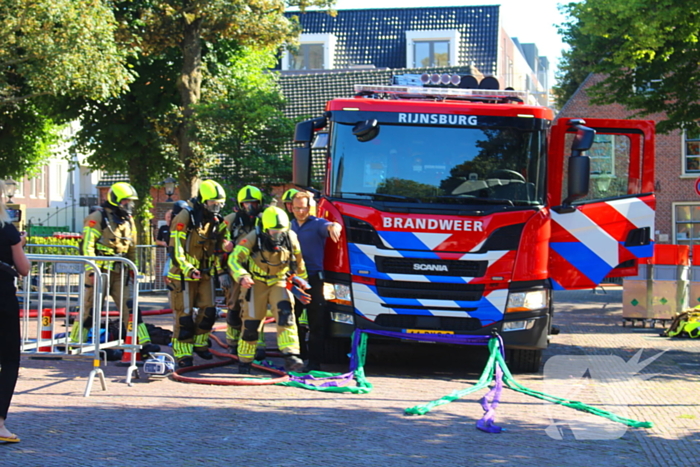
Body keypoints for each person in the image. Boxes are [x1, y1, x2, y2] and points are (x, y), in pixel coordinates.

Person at [73, 182, 159, 358]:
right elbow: (87, 246)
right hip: (100, 272)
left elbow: (132, 247)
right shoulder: (98, 218)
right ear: (115, 200)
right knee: (90, 308)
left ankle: (142, 343)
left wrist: (133, 268)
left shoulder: (128, 221)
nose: (130, 205)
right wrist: (92, 270)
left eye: (131, 202)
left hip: (121, 273)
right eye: (126, 201)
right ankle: (76, 343)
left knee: (131, 307)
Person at [228, 206, 307, 374]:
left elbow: (299, 263)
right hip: (256, 283)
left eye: (280, 232)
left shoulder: (291, 237)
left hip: (279, 280)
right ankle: (245, 361)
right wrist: (242, 275)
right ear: (265, 229)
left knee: (286, 314)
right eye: (273, 232)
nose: (277, 236)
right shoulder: (252, 237)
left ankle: (291, 355)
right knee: (251, 322)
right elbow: (234, 258)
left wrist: (302, 282)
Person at [168, 180, 230, 368]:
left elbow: (218, 246)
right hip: (183, 275)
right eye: (213, 203)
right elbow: (175, 248)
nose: (216, 207)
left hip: (205, 274)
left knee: (209, 311)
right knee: (185, 316)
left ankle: (200, 344)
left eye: (219, 204)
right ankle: (183, 354)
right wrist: (187, 268)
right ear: (203, 201)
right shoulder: (185, 216)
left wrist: (222, 269)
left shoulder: (216, 220)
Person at [290, 191, 342, 371]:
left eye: (303, 207)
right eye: (296, 208)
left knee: (316, 321)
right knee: (291, 319)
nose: (300, 211)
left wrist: (335, 227)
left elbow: (331, 226)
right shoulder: (289, 227)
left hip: (313, 279)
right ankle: (298, 356)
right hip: (293, 280)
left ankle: (314, 362)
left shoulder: (317, 224)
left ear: (309, 207)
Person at [0, 180, 30, 444]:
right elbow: (24, 268)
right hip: (2, 301)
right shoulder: (7, 231)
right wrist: (19, 244)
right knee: (8, 360)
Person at [220, 185, 265, 357]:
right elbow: (216, 245)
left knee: (256, 307)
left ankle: (257, 344)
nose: (250, 207)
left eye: (253, 203)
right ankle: (233, 342)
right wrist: (221, 272)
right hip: (235, 271)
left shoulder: (263, 220)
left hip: (258, 271)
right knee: (234, 307)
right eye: (246, 204)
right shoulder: (231, 220)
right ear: (240, 205)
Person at [156, 209, 172, 279]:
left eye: (170, 217)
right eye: (168, 217)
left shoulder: (175, 227)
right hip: (169, 253)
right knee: (165, 275)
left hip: (176, 252)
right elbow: (157, 240)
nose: (169, 219)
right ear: (165, 218)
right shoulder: (163, 228)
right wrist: (163, 243)